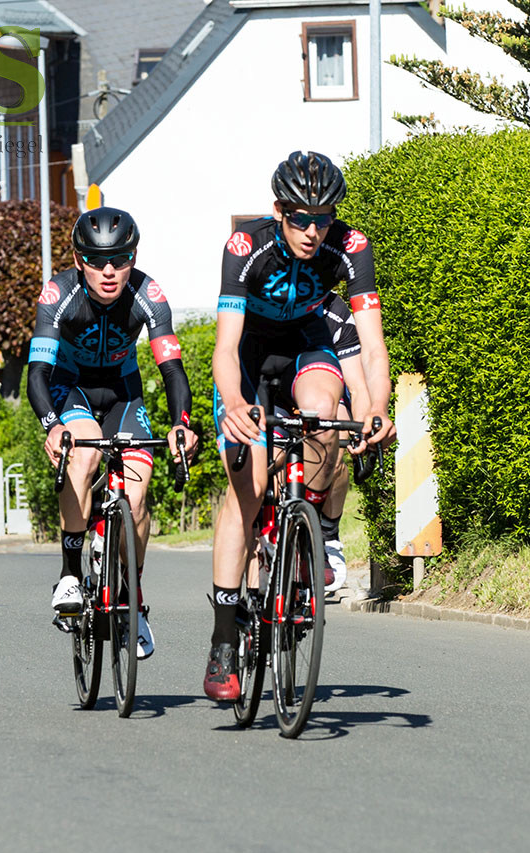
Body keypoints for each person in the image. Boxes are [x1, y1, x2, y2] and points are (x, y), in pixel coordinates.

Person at [205, 150, 395, 701]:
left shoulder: (351, 247)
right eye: (300, 218)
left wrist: (376, 407)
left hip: (309, 348)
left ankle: (309, 531)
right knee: (249, 487)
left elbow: (372, 345)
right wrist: (236, 403)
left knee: (326, 415)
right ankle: (222, 640)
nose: (313, 231)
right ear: (279, 211)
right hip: (250, 361)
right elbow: (224, 346)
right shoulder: (248, 247)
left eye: (324, 217)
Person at [27, 206, 199, 658]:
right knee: (82, 456)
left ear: (133, 257)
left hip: (124, 392)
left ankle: (133, 602)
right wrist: (52, 426)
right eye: (97, 260)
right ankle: (69, 573)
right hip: (71, 388)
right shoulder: (57, 293)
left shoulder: (148, 293)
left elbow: (172, 370)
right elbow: (37, 374)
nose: (109, 271)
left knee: (138, 494)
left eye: (121, 260)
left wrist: (180, 426)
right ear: (79, 260)